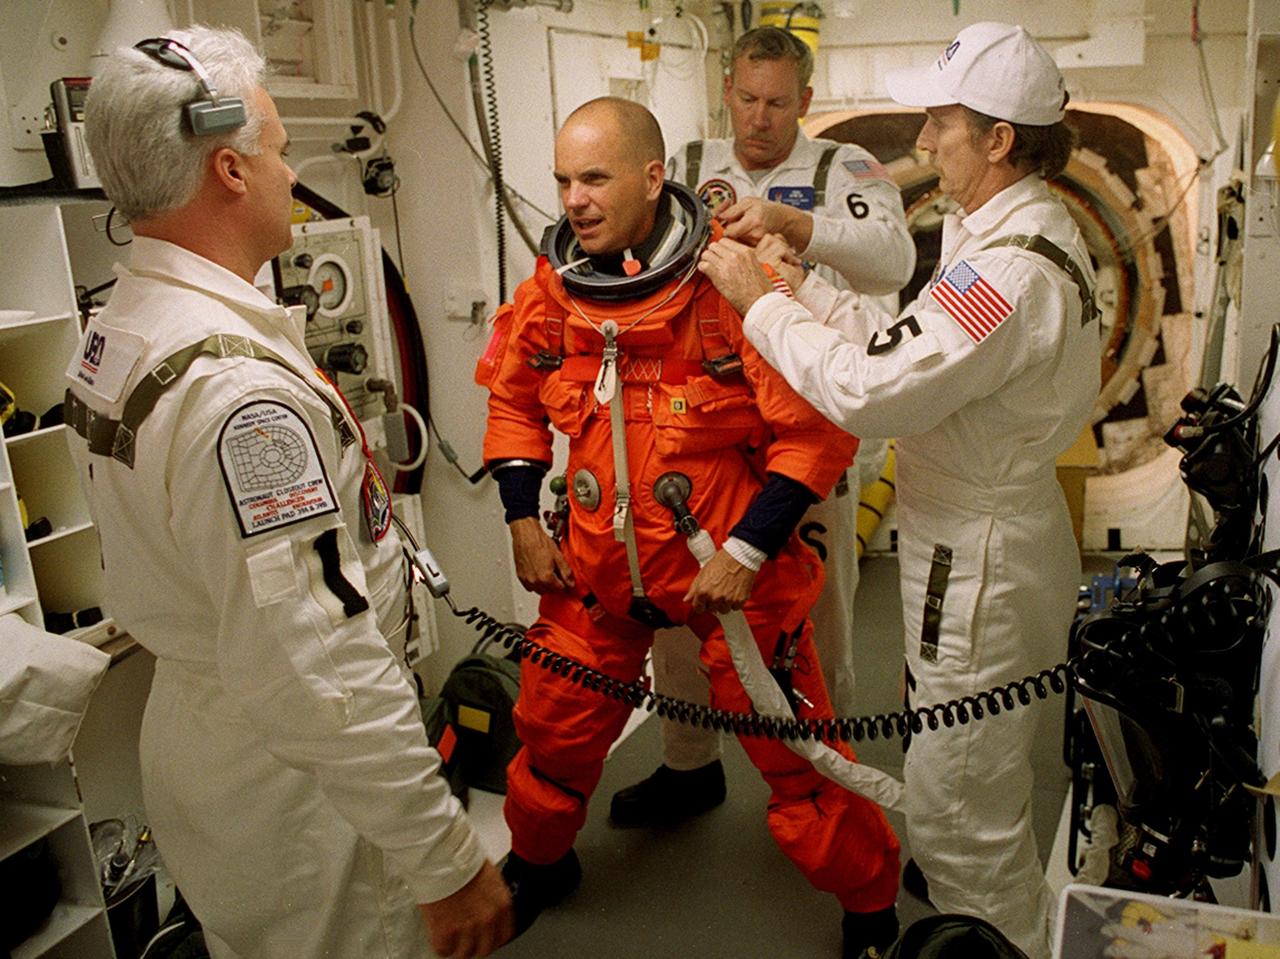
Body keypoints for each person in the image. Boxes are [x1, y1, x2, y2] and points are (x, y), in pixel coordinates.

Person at [68, 27, 512, 959]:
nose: (290, 172)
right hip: (303, 794)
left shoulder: (122, 325)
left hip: (209, 747)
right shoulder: (239, 396)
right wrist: (444, 859)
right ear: (229, 169)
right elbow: (319, 667)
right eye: (275, 149)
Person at [698, 22, 1101, 959]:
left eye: (941, 122)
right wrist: (800, 282)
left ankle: (993, 934)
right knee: (965, 764)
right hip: (976, 531)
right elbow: (903, 341)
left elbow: (872, 390)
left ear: (998, 138)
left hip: (978, 553)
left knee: (963, 812)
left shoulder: (1008, 270)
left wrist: (760, 304)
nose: (924, 140)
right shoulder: (1003, 230)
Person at [476, 95, 901, 956]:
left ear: (652, 178)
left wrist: (747, 549)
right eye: (563, 181)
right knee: (553, 733)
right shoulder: (554, 292)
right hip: (597, 569)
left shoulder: (728, 288)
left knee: (800, 760)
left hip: (732, 575)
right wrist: (522, 519)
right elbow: (514, 402)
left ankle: (871, 906)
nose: (574, 200)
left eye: (595, 179)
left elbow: (816, 431)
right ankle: (540, 864)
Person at [611, 24, 916, 830]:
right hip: (700, 431)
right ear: (727, 90)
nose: (758, 117)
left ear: (804, 100)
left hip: (804, 430)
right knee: (681, 616)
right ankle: (689, 764)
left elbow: (894, 260)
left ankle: (828, 777)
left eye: (777, 103)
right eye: (746, 98)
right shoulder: (684, 164)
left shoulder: (843, 168)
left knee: (816, 621)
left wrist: (795, 224)